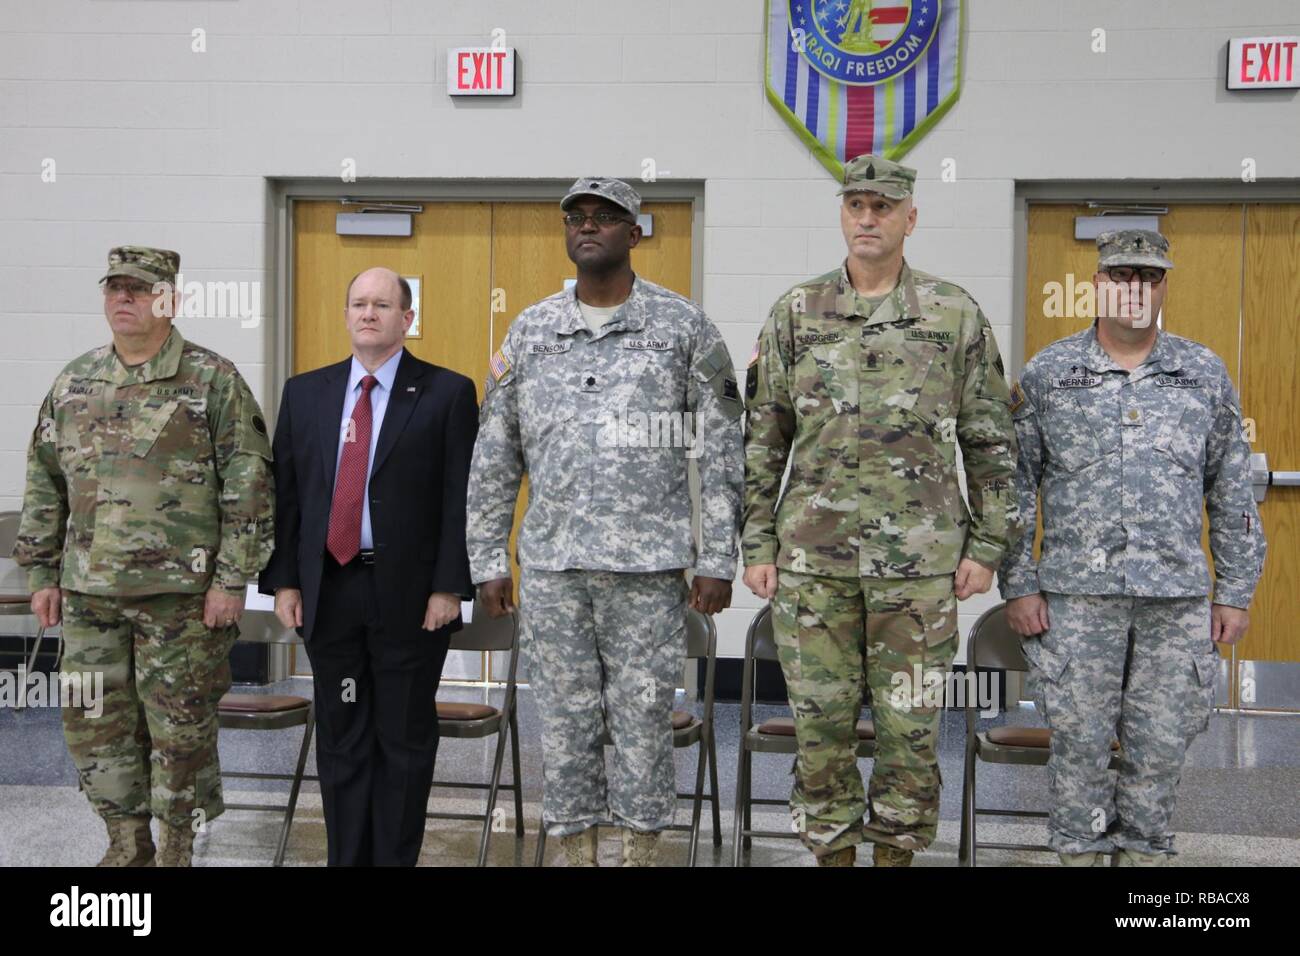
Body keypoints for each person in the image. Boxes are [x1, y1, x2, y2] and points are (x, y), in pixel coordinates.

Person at [742, 155, 1020, 867]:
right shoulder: (796, 312)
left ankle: (895, 856)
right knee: (819, 730)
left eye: (883, 207)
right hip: (813, 567)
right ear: (843, 213)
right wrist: (757, 543)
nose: (868, 218)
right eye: (856, 205)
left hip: (920, 571)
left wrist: (986, 548)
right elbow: (763, 435)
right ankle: (832, 856)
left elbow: (991, 439)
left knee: (911, 732)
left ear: (910, 218)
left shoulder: (953, 314)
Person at [467, 177, 744, 866]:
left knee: (645, 720)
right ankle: (576, 853)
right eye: (577, 218)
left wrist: (716, 558)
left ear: (634, 233)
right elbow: (495, 451)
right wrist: (487, 559)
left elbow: (721, 446)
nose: (588, 227)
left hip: (647, 571)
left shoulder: (682, 328)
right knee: (563, 723)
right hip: (556, 568)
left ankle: (643, 853)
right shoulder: (532, 330)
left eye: (606, 218)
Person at [999, 229, 1265, 866]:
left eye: (1148, 277)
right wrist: (1019, 581)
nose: (1135, 289)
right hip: (1074, 600)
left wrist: (1234, 591)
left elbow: (1231, 487)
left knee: (1160, 749)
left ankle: (1146, 871)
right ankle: (1080, 859)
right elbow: (1012, 483)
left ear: (1163, 286)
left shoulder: (1200, 373)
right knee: (1080, 748)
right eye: (1122, 275)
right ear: (1098, 284)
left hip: (1174, 602)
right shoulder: (1050, 374)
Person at [15, 246, 274, 866]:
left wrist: (232, 580)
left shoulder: (213, 379)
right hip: (88, 595)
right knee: (92, 723)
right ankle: (126, 845)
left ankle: (178, 846)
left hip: (182, 600)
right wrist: (43, 572)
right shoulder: (74, 381)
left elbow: (251, 485)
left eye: (139, 288)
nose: (123, 298)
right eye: (114, 288)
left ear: (170, 300)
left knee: (177, 732)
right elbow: (45, 481)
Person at [259, 267, 478, 866]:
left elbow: (463, 497)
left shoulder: (447, 392)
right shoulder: (306, 392)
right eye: (358, 302)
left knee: (403, 740)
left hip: (410, 599)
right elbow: (289, 493)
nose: (368, 313)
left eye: (383, 304)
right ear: (346, 314)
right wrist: (283, 579)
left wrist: (449, 586)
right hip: (330, 593)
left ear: (407, 319)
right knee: (343, 735)